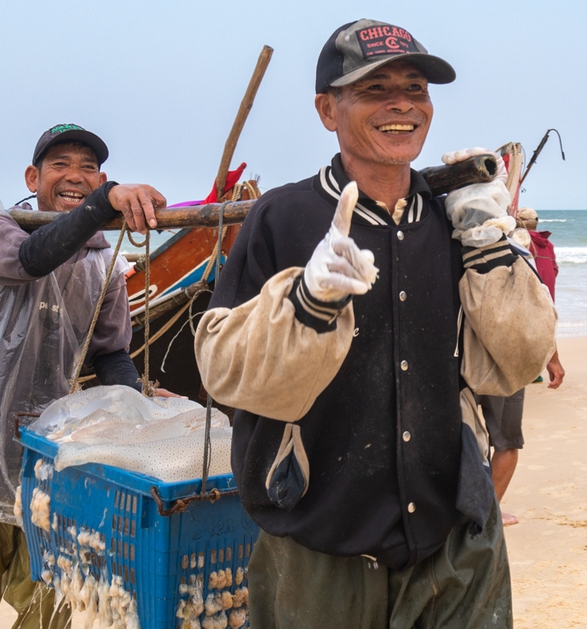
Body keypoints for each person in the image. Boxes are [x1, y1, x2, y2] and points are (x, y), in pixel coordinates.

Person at [194, 19, 556, 628]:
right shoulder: (281, 217)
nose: (401, 105)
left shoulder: (454, 220)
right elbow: (224, 376)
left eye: (415, 89)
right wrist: (304, 305)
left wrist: (491, 245)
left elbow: (518, 362)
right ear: (326, 109)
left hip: (454, 536)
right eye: (373, 89)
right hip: (321, 543)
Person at [0, 124, 169, 629]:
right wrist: (105, 201)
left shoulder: (103, 261)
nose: (74, 177)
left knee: (53, 597)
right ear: (33, 176)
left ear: (101, 176)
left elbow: (111, 354)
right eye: (60, 165)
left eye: (88, 168)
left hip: (51, 452)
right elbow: (31, 259)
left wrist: (138, 406)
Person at [488, 208, 565, 527]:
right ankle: (488, 515)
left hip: (459, 358)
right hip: (509, 358)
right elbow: (538, 306)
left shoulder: (452, 247)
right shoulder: (523, 250)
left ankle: (466, 512)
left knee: (464, 439)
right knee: (506, 441)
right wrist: (552, 356)